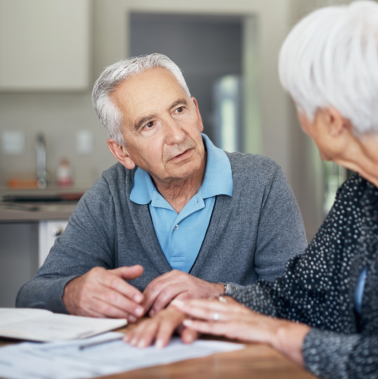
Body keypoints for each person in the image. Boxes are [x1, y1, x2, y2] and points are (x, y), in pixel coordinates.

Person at [127, 2, 378, 379]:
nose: (300, 120)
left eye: (301, 105)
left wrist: (274, 332)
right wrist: (212, 306)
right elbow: (299, 295)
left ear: (332, 121)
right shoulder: (361, 193)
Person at [16, 54, 307, 328]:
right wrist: (72, 293)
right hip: (143, 367)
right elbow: (30, 297)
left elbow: (301, 299)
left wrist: (219, 295)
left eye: (179, 110)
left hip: (237, 371)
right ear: (122, 152)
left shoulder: (263, 181)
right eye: (149, 125)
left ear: (197, 113)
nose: (177, 135)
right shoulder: (110, 194)